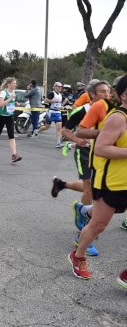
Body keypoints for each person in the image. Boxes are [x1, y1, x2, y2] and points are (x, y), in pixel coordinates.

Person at [69, 74, 127, 287]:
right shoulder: (118, 117)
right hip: (112, 182)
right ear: (123, 94)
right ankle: (79, 256)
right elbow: (102, 148)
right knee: (98, 226)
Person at [51, 79, 110, 257]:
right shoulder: (82, 110)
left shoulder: (111, 110)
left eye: (108, 91)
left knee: (92, 188)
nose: (106, 95)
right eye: (102, 92)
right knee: (90, 189)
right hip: (84, 152)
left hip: (103, 154)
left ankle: (62, 185)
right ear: (92, 94)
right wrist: (78, 140)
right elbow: (65, 131)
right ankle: (84, 231)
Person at [39, 82, 66, 147]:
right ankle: (37, 131)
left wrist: (61, 106)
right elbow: (45, 100)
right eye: (59, 87)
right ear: (55, 87)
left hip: (58, 112)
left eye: (61, 87)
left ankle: (58, 143)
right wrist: (53, 101)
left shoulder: (60, 95)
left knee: (59, 127)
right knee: (46, 127)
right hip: (51, 112)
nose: (60, 88)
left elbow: (65, 100)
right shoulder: (52, 93)